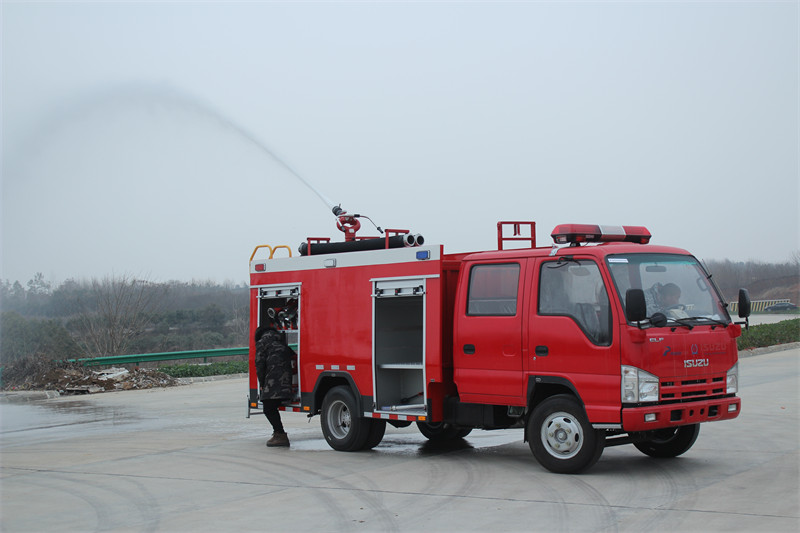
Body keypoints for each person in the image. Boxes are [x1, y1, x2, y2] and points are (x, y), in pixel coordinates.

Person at [254, 326, 295, 447]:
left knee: (268, 408)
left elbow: (259, 365)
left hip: (273, 380)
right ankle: (279, 433)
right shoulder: (280, 342)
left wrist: (262, 384)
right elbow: (292, 355)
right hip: (286, 381)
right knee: (272, 405)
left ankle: (280, 434)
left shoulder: (262, 343)